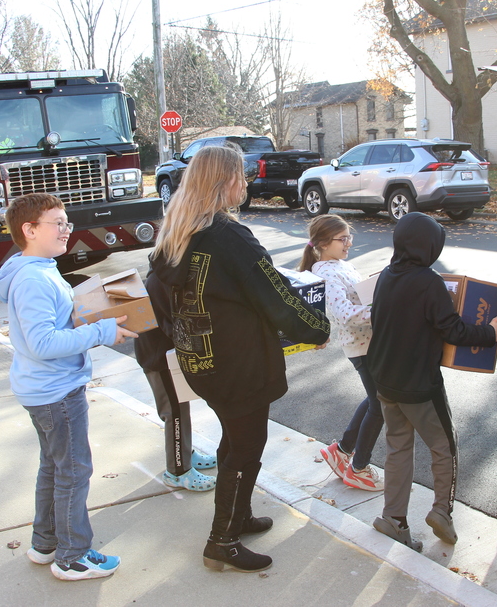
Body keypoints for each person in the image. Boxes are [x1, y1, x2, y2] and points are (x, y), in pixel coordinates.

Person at [146, 145, 330, 573]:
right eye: (240, 177)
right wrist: (317, 328)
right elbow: (277, 296)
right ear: (221, 183)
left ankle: (239, 516)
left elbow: (158, 297)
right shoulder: (228, 237)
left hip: (201, 360)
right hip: (238, 364)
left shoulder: (176, 232)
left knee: (238, 438)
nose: (245, 185)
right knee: (246, 444)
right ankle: (222, 540)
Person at [0, 192, 138, 581]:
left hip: (44, 389)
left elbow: (51, 327)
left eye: (66, 222)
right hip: (55, 392)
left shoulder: (35, 267)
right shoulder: (33, 279)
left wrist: (88, 314)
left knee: (54, 468)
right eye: (56, 223)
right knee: (73, 472)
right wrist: (101, 329)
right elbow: (44, 344)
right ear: (28, 230)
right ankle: (73, 556)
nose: (66, 230)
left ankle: (46, 544)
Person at [367, 212, 497, 552]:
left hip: (385, 380)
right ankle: (442, 510)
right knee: (445, 447)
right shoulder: (429, 282)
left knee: (398, 446)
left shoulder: (386, 275)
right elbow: (454, 331)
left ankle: (393, 518)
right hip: (419, 385)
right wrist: (491, 333)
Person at [299, 215, 383, 492]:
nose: (349, 242)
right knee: (381, 404)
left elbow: (357, 297)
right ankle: (358, 467)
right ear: (323, 243)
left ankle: (342, 450)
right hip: (361, 347)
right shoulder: (324, 273)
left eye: (349, 236)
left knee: (377, 400)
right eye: (342, 238)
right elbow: (345, 314)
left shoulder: (341, 265)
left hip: (370, 342)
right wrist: (388, 309)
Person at [133, 327, 217, 491]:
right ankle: (178, 471)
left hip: (161, 352)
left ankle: (185, 455)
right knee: (174, 413)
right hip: (158, 357)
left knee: (180, 409)